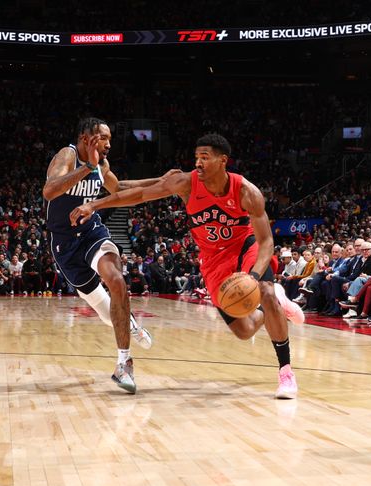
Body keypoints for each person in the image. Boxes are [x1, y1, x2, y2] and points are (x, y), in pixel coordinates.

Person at [71, 133, 305, 399]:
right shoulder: (186, 184)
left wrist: (252, 276)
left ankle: (286, 371)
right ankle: (277, 304)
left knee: (265, 289)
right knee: (244, 330)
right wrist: (95, 204)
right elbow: (139, 194)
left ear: (222, 160)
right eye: (196, 157)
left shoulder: (246, 191)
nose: (198, 163)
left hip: (244, 248)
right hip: (213, 260)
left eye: (205, 157)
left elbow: (266, 242)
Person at [44, 117, 169, 393]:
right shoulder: (68, 155)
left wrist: (161, 180)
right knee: (104, 309)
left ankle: (123, 365)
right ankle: (131, 322)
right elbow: (50, 190)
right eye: (104, 138)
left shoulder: (101, 163)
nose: (109, 144)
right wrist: (85, 167)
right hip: (64, 243)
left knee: (116, 280)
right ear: (87, 138)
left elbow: (119, 189)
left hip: (92, 232)